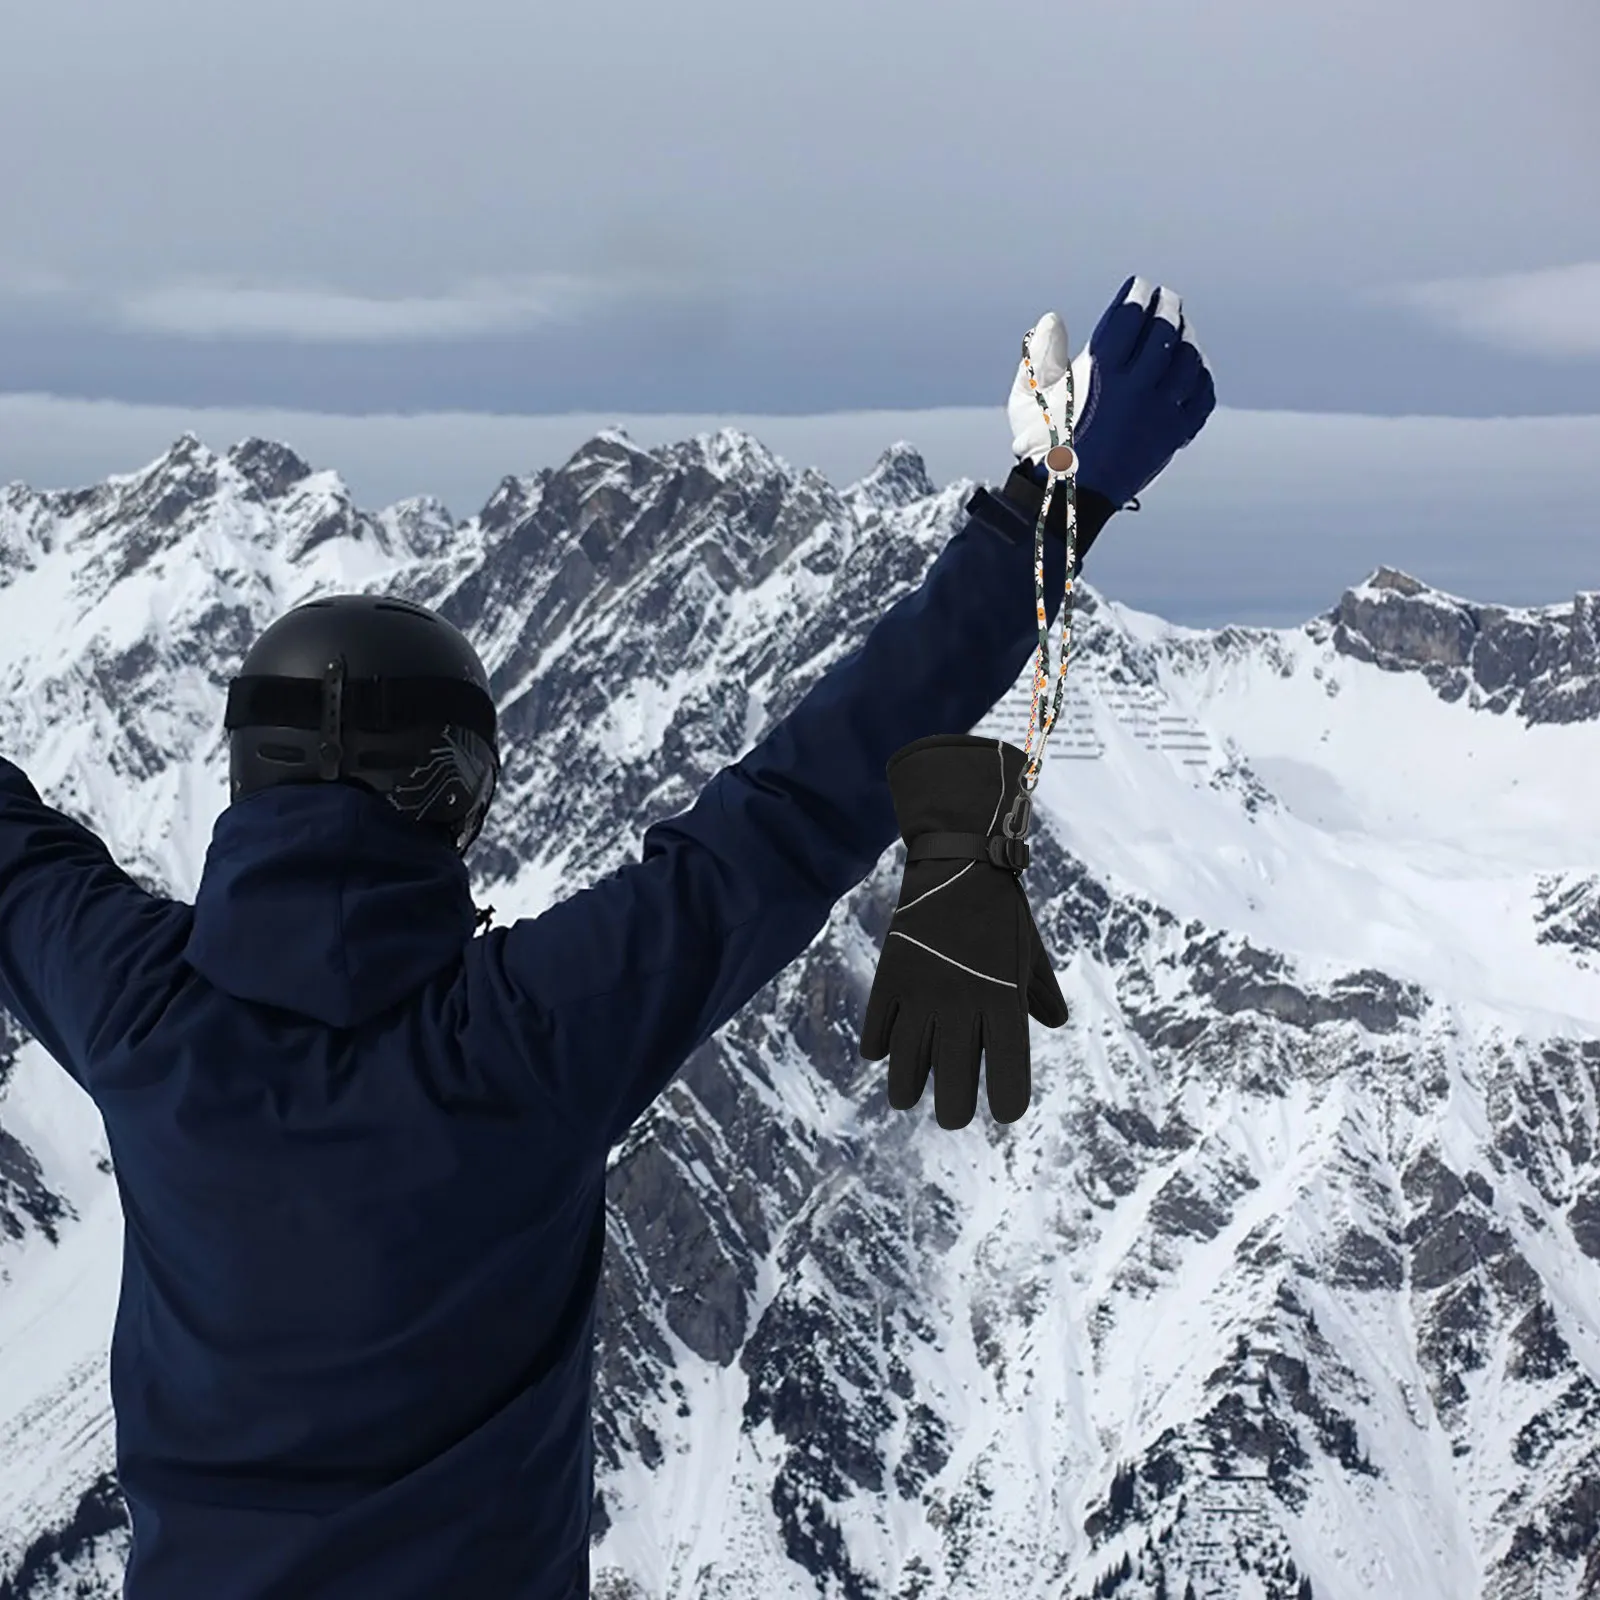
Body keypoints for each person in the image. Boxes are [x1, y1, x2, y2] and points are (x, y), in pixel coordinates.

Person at [0, 275, 1214, 1599]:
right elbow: (808, 798)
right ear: (457, 796)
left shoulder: (142, 1016)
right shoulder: (526, 1039)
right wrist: (1056, 510)